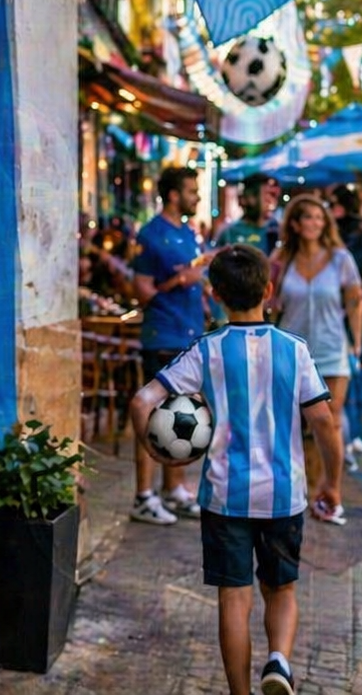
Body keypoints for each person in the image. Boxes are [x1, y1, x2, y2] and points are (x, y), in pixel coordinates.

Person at [132, 244, 342, 695]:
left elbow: (142, 400)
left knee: (234, 597)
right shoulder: (294, 349)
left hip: (225, 495)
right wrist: (333, 481)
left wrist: (160, 456)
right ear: (269, 290)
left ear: (214, 296)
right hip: (284, 495)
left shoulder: (206, 350)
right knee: (281, 589)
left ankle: (240, 693)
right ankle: (279, 662)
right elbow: (324, 420)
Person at [267, 196, 362, 521]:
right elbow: (268, 302)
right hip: (291, 350)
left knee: (329, 421)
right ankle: (300, 486)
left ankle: (331, 488)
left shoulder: (340, 258)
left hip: (332, 347)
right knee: (294, 422)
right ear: (295, 223)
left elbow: (355, 299)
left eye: (320, 218)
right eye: (308, 217)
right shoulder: (282, 259)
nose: (314, 223)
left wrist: (357, 343)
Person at [124, 166, 208, 525]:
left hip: (189, 338)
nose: (197, 197)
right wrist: (179, 280)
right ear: (173, 195)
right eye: (192, 191)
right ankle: (144, 495)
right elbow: (141, 292)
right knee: (152, 415)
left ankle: (175, 489)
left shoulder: (189, 233)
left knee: (184, 416)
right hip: (162, 337)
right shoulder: (151, 235)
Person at [331, 186, 362, 456]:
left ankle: (350, 436)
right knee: (360, 374)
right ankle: (361, 434)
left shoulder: (337, 237)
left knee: (346, 378)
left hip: (343, 313)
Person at [216, 175, 276, 253]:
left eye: (271, 195)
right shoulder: (229, 232)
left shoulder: (276, 230)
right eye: (264, 194)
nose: (269, 200)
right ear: (245, 198)